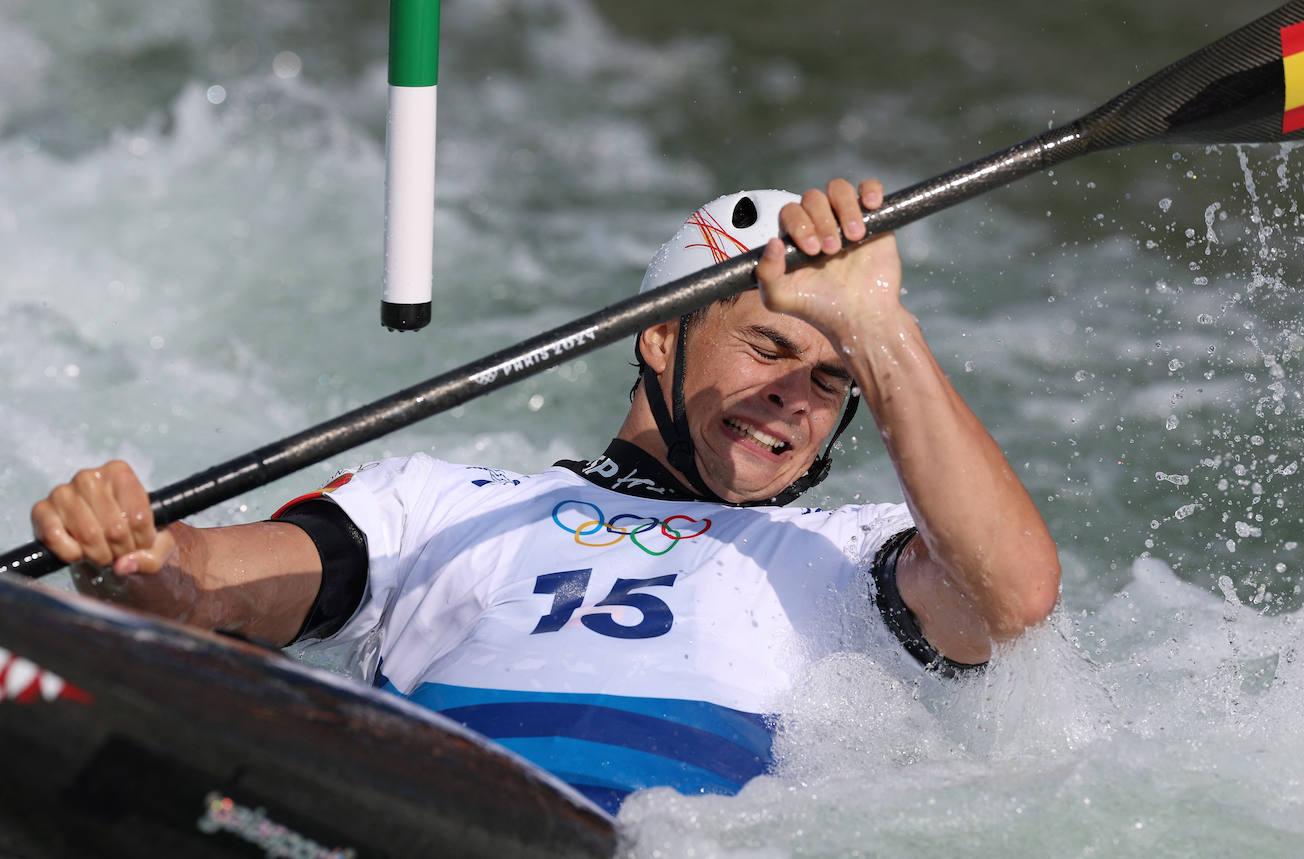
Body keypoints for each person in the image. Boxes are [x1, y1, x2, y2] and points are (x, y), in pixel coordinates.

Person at [30, 178, 1060, 815]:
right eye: (767, 348)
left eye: (830, 383)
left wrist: (879, 333)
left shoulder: (850, 552)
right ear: (660, 337)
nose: (793, 399)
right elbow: (202, 589)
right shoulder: (437, 502)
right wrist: (130, 554)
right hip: (411, 812)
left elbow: (1014, 598)